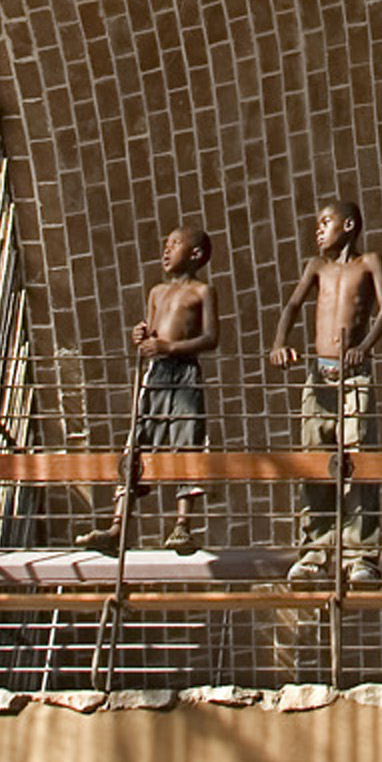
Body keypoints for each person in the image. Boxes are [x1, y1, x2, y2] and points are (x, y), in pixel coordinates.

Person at [269, 194, 382, 577]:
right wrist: (279, 343)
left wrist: (364, 346)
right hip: (318, 374)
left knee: (358, 461)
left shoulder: (368, 262)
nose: (318, 230)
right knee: (315, 460)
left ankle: (361, 555)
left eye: (325, 222)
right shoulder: (317, 267)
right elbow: (292, 305)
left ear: (349, 226)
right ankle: (315, 550)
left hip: (354, 376)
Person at [112, 220, 217, 552]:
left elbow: (212, 337)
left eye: (175, 244)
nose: (167, 250)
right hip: (156, 372)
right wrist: (140, 335)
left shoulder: (202, 291)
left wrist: (169, 348)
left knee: (188, 436)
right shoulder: (156, 291)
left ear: (195, 254)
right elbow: (151, 327)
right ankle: (118, 522)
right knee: (138, 435)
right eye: (166, 245)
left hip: (183, 370)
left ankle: (183, 523)